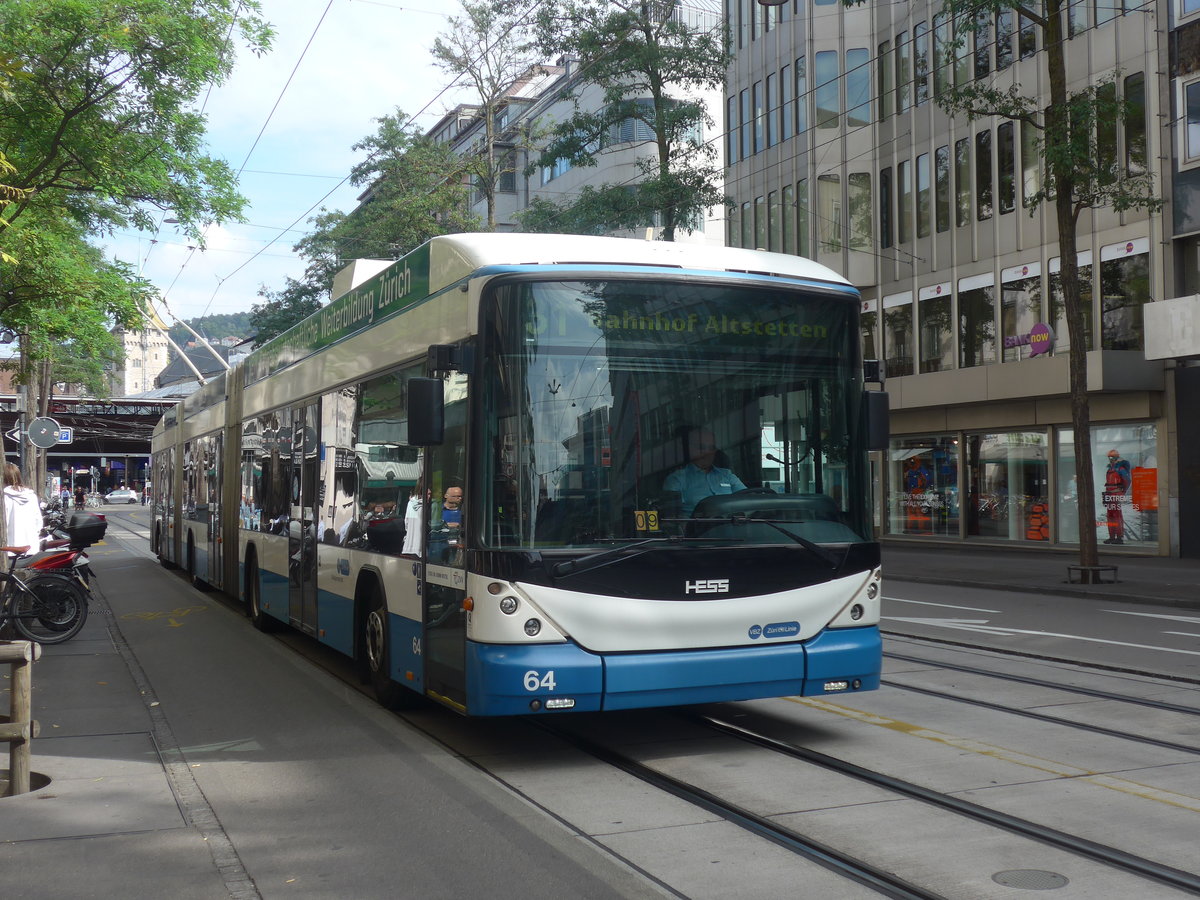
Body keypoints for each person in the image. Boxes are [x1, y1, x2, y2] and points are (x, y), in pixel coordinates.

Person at [663, 428, 746, 517]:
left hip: (731, 527)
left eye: (711, 448)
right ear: (690, 449)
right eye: (701, 447)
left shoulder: (727, 475)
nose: (707, 453)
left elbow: (748, 500)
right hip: (698, 529)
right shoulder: (677, 480)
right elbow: (672, 519)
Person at [3, 463, 44, 556]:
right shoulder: (31, 496)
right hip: (31, 548)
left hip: (9, 549)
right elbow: (38, 522)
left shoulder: (4, 497)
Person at [1103, 448, 1132, 544]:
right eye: (1109, 457)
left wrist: (1122, 492)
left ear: (1116, 457)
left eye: (1112, 457)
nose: (1110, 459)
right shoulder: (1110, 469)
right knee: (1110, 515)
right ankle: (1111, 536)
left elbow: (1127, 481)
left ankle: (1119, 537)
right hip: (1110, 494)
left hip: (1116, 494)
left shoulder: (1120, 469)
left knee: (1117, 515)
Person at [429, 485, 463, 563]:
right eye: (456, 496)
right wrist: (447, 525)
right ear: (446, 496)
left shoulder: (463, 511)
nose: (459, 498)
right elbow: (431, 525)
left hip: (457, 548)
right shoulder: (437, 510)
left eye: (460, 496)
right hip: (439, 547)